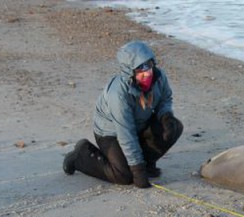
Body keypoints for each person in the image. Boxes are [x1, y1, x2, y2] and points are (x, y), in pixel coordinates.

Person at [63, 40, 183, 188]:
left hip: (139, 124)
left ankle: (147, 163)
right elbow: (126, 133)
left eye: (149, 65)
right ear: (129, 71)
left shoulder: (159, 77)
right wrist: (137, 170)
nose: (147, 73)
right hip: (111, 133)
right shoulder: (118, 94)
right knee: (124, 176)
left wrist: (165, 116)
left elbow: (166, 98)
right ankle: (81, 155)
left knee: (174, 127)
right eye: (140, 69)